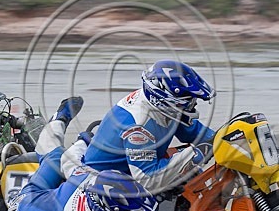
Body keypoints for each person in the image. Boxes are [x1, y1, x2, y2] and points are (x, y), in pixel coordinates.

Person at [8, 96, 174, 211]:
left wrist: (84, 141)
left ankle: (59, 119)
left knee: (55, 157)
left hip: (28, 200)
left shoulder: (87, 178)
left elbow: (70, 159)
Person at [81, 59, 217, 195]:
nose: (192, 104)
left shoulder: (164, 107)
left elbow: (195, 134)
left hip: (135, 167)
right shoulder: (138, 127)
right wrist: (195, 154)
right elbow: (146, 181)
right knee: (187, 167)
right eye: (188, 101)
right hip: (103, 184)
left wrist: (223, 137)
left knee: (190, 167)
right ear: (165, 99)